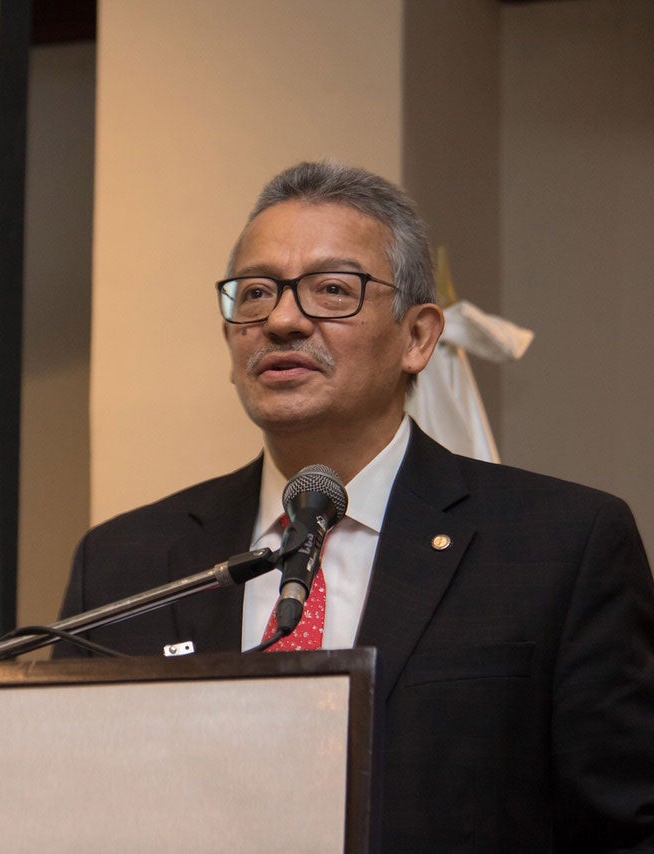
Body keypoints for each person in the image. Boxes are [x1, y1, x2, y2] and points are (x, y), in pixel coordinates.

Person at [54, 161, 654, 851]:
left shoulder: (562, 547)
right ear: (229, 341)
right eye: (255, 294)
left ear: (418, 337)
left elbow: (625, 831)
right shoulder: (126, 562)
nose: (281, 320)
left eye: (332, 290)